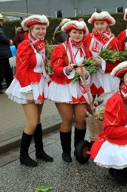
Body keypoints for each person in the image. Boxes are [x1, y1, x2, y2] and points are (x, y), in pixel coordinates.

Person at [5, 15, 54, 167]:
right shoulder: (26, 44)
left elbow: (41, 65)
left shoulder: (41, 44)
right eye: (37, 28)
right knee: (32, 122)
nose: (41, 31)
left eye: (43, 28)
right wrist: (27, 91)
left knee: (38, 120)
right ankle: (23, 155)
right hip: (28, 85)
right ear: (31, 29)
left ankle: (39, 151)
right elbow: (20, 70)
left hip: (39, 84)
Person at [48, 20, 92, 162]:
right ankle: (65, 151)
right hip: (63, 88)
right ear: (69, 33)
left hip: (80, 87)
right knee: (67, 119)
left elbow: (91, 69)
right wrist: (67, 69)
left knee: (81, 119)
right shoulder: (60, 48)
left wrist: (84, 73)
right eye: (74, 32)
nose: (77, 35)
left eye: (80, 33)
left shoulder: (86, 49)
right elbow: (56, 69)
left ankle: (78, 149)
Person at [85, 11, 121, 96]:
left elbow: (117, 62)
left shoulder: (114, 41)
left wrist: (103, 63)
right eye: (96, 24)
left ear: (107, 24)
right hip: (91, 76)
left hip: (106, 78)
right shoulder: (88, 38)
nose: (99, 26)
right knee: (91, 105)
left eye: (102, 23)